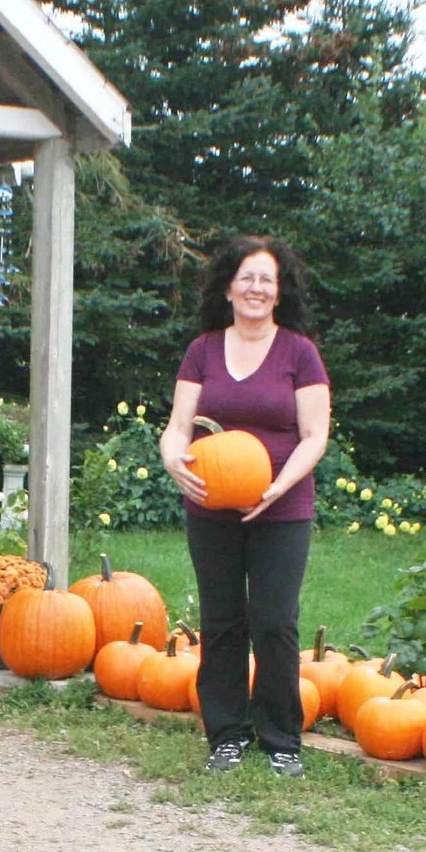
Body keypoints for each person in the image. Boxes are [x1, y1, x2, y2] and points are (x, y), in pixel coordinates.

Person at [159, 236, 331, 777]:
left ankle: (282, 739)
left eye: (267, 279)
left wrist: (280, 485)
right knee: (223, 620)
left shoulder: (299, 352)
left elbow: (314, 434)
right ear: (229, 286)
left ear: (279, 292)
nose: (256, 288)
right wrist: (172, 461)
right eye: (247, 277)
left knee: (275, 621)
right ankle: (226, 735)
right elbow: (177, 428)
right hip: (211, 504)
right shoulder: (203, 350)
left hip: (281, 507)